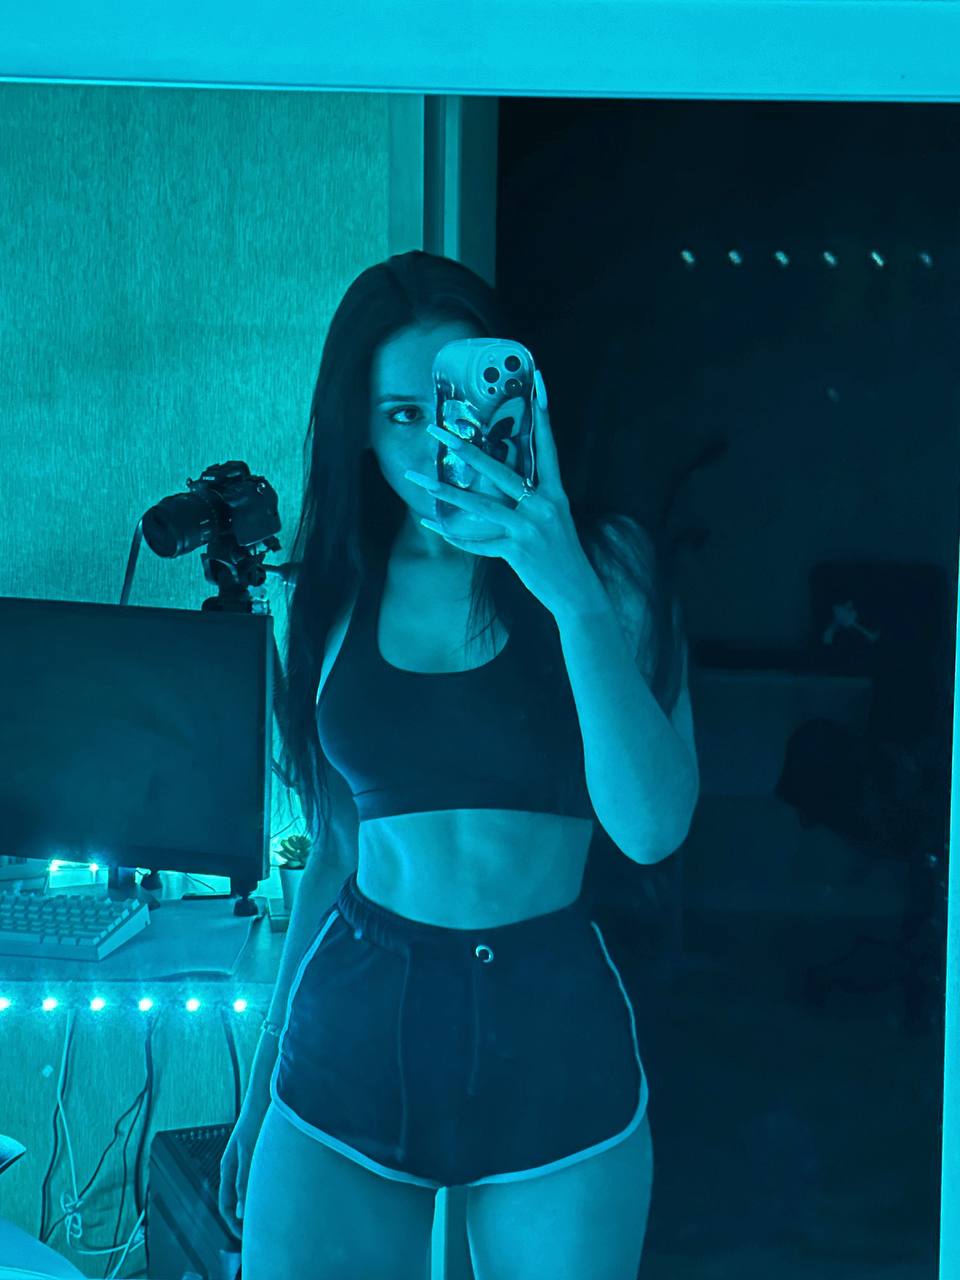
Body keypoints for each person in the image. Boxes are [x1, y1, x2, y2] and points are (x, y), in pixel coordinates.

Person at [218, 250, 697, 1279]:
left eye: (457, 410)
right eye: (402, 415)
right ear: (358, 425)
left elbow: (653, 827)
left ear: (517, 401)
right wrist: (261, 1079)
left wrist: (566, 588)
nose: (436, 447)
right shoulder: (335, 587)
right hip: (352, 1032)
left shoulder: (608, 565)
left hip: (553, 1044)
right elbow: (335, 849)